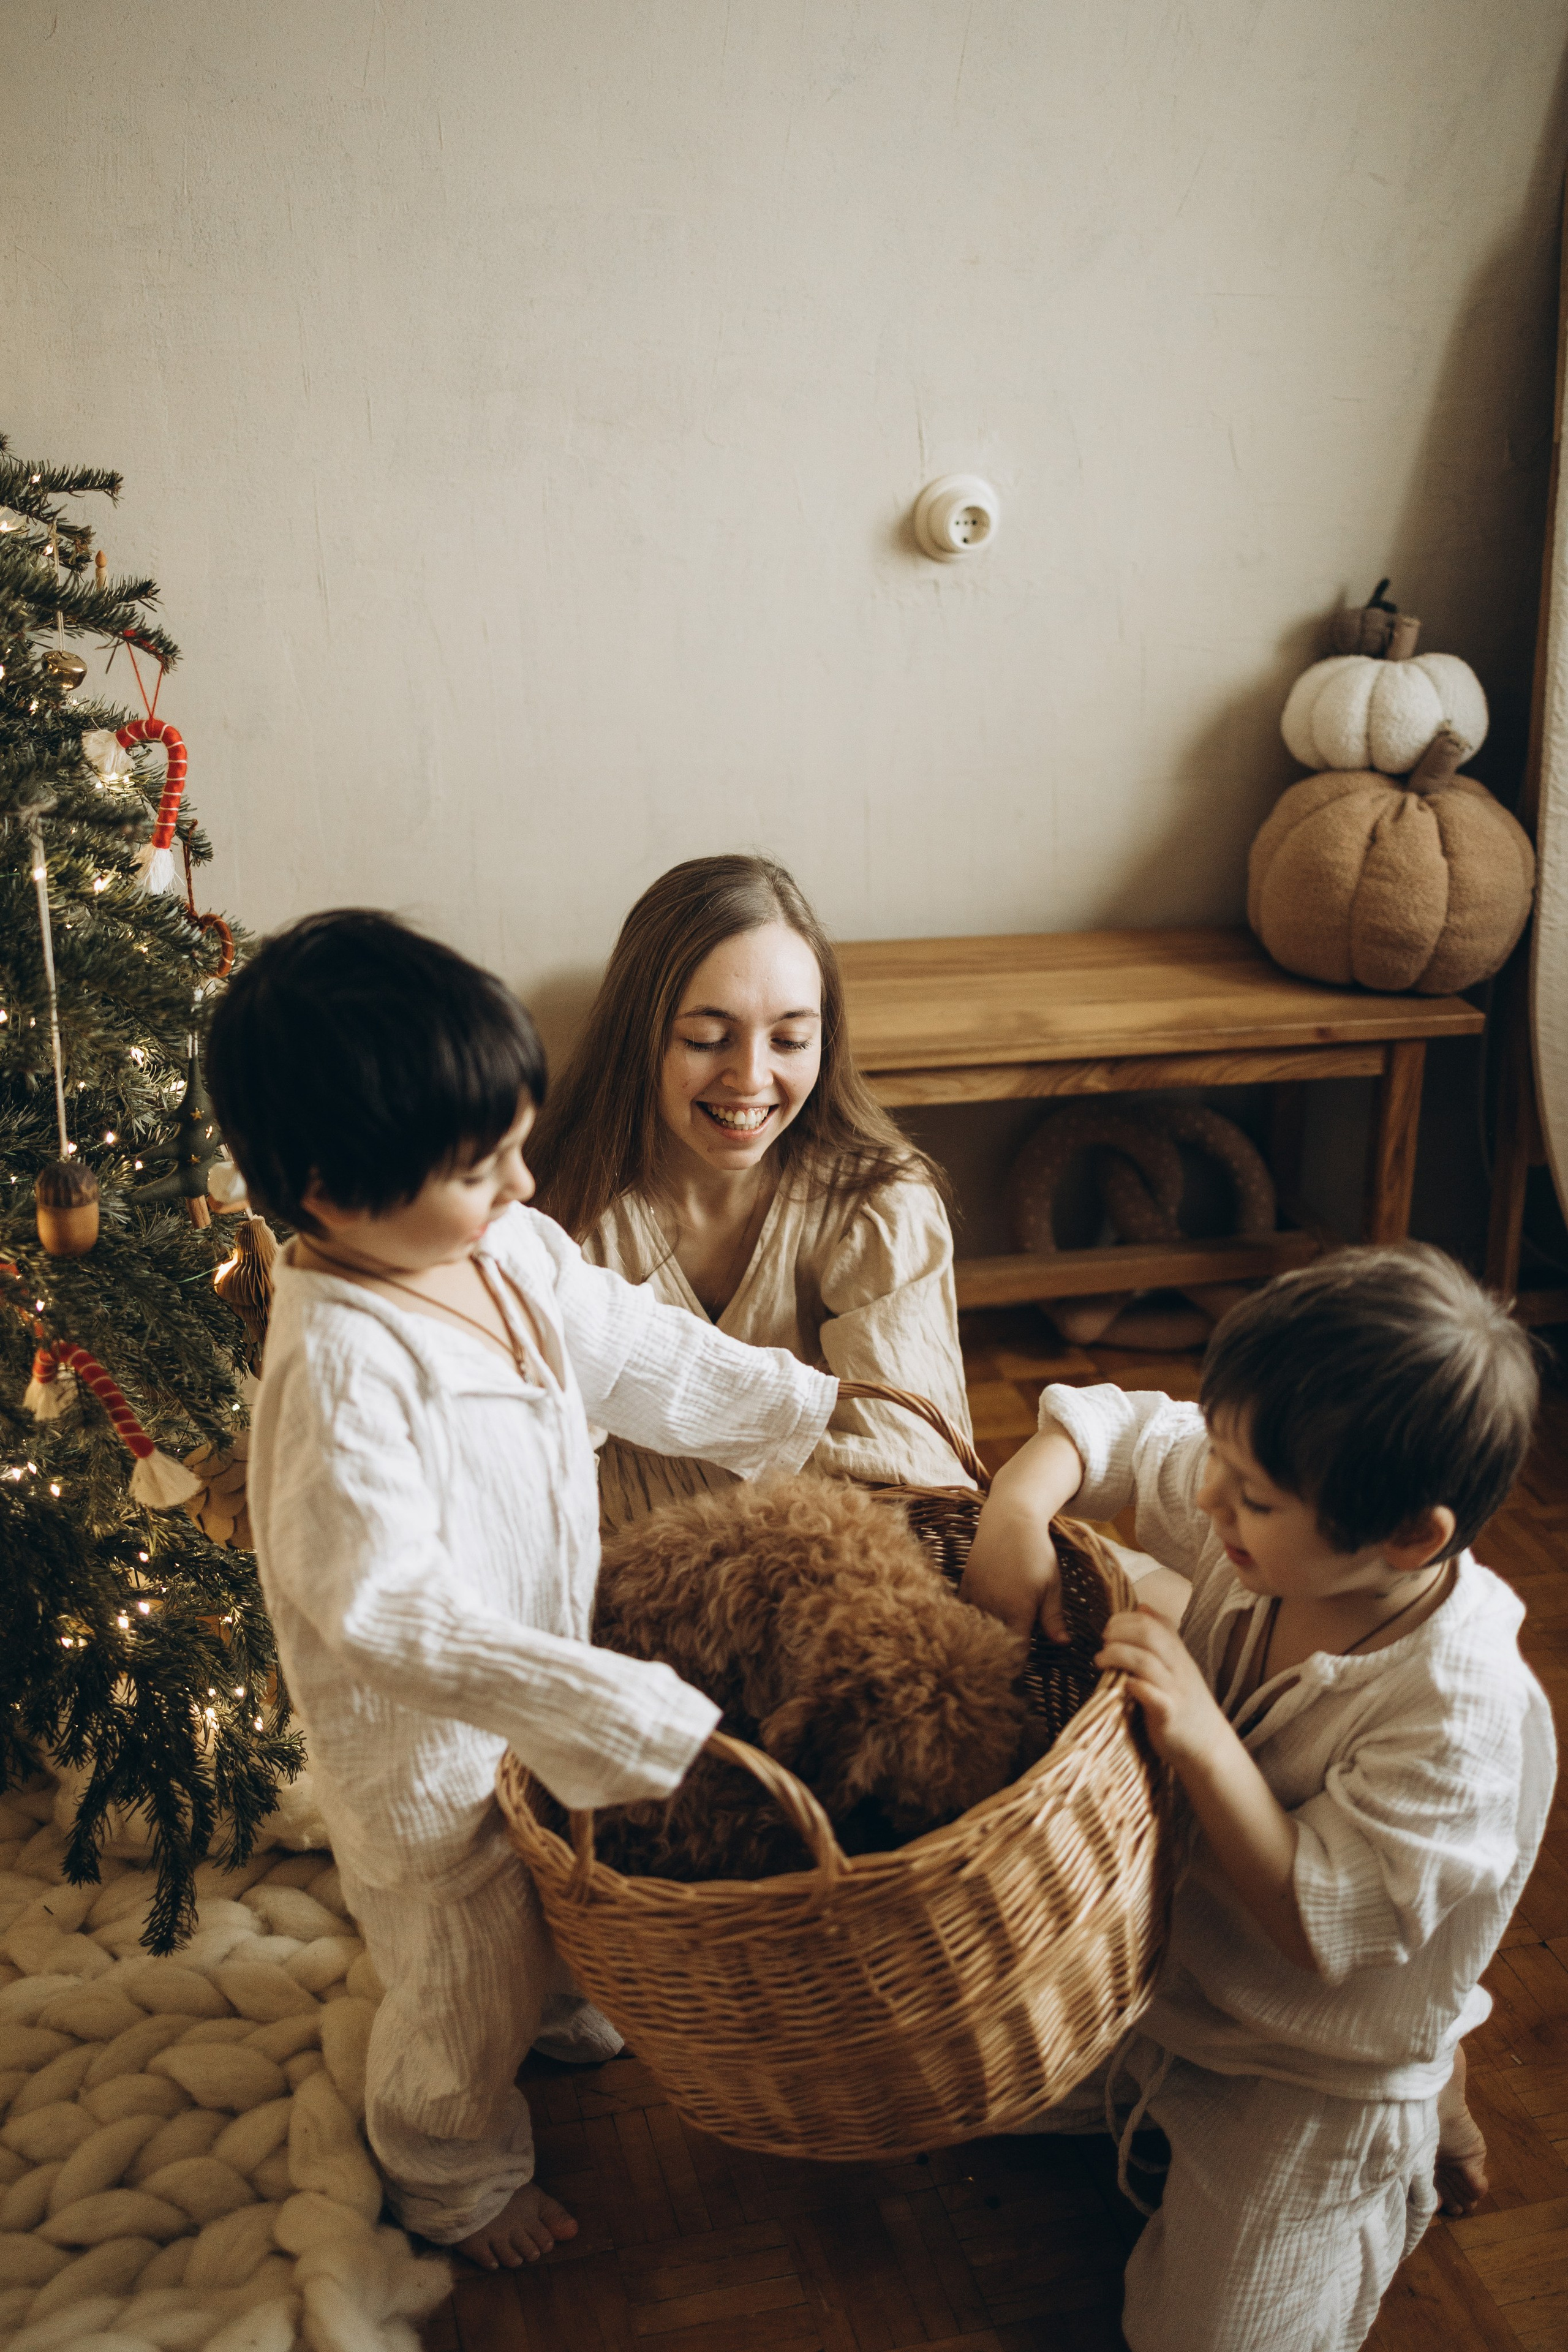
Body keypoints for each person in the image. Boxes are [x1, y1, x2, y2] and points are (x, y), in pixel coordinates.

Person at [206, 910, 839, 2271]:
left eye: (515, 1143)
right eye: (481, 1165)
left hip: (541, 1669)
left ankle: (554, 2010)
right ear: (328, 1191)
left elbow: (629, 1346)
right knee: (460, 1967)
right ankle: (447, 2161)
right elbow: (390, 1612)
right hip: (425, 1748)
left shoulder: (504, 1246)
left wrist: (794, 1409)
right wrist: (598, 1698)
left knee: (563, 1882)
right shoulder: (340, 1372)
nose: (523, 1181)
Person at [960, 1246, 1553, 2352]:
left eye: (1253, 1496)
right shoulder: (1278, 1506)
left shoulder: (1461, 1715)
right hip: (1176, 1971)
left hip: (1312, 2061)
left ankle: (1416, 2109)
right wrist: (1018, 1502)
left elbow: (1319, 1925)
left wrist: (1197, 1736)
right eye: (1222, 1460)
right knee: (953, 2085)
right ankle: (1430, 2066)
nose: (1208, 1496)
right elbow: (1125, 1432)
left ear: (1410, 1539)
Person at [529, 854, 973, 1528]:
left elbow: (916, 1474)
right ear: (638, 1037)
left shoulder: (880, 1205)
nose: (750, 1077)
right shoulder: (557, 1212)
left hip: (819, 1582)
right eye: (707, 1040)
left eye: (791, 1039)